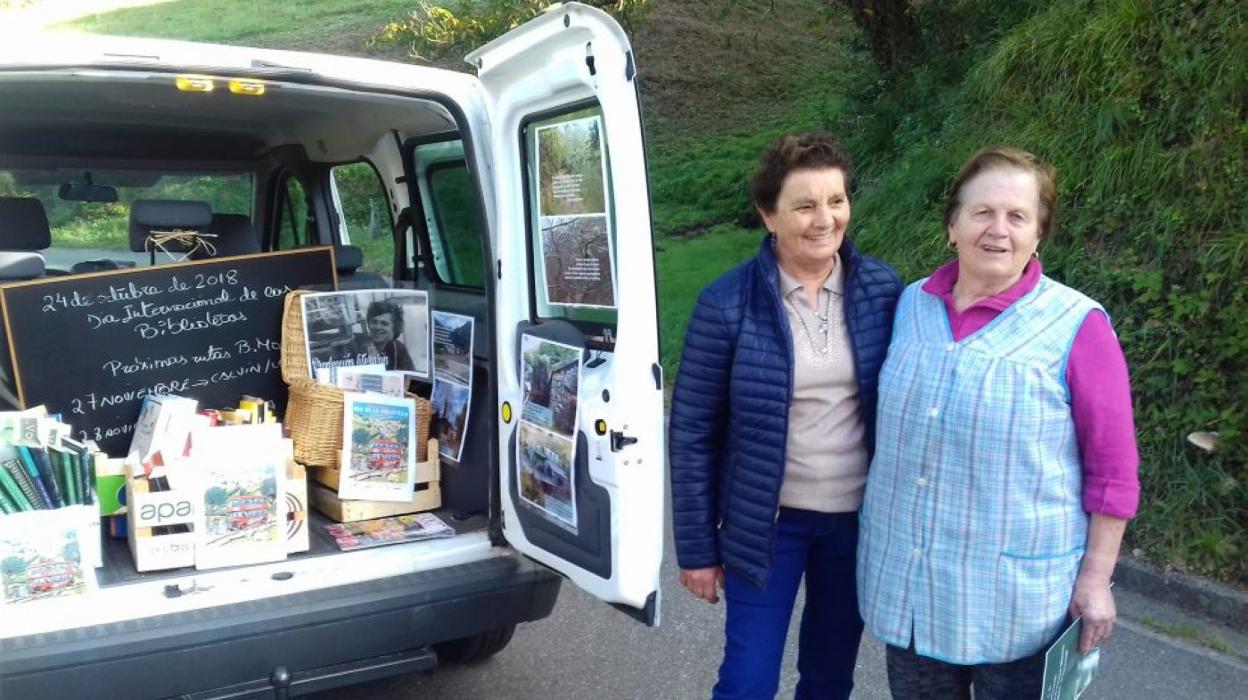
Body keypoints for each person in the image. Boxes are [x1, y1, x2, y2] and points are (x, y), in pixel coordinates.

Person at [857, 145, 1141, 698]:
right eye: (982, 212)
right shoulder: (910, 306)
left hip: (1019, 604)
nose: (998, 230)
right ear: (953, 225)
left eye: (1018, 216)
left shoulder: (1077, 326)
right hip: (913, 590)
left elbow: (1113, 468)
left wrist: (1096, 578)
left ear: (1039, 234)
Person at [669, 131, 902, 699]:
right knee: (748, 681)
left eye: (836, 200)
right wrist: (697, 550)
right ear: (768, 216)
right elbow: (692, 432)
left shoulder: (883, 290)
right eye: (804, 205)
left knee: (828, 677)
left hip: (855, 524)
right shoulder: (726, 304)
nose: (825, 219)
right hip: (766, 525)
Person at [365, 299, 415, 372]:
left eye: (384, 323)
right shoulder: (360, 346)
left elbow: (408, 378)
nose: (377, 327)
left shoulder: (399, 350)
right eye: (374, 322)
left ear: (394, 327)